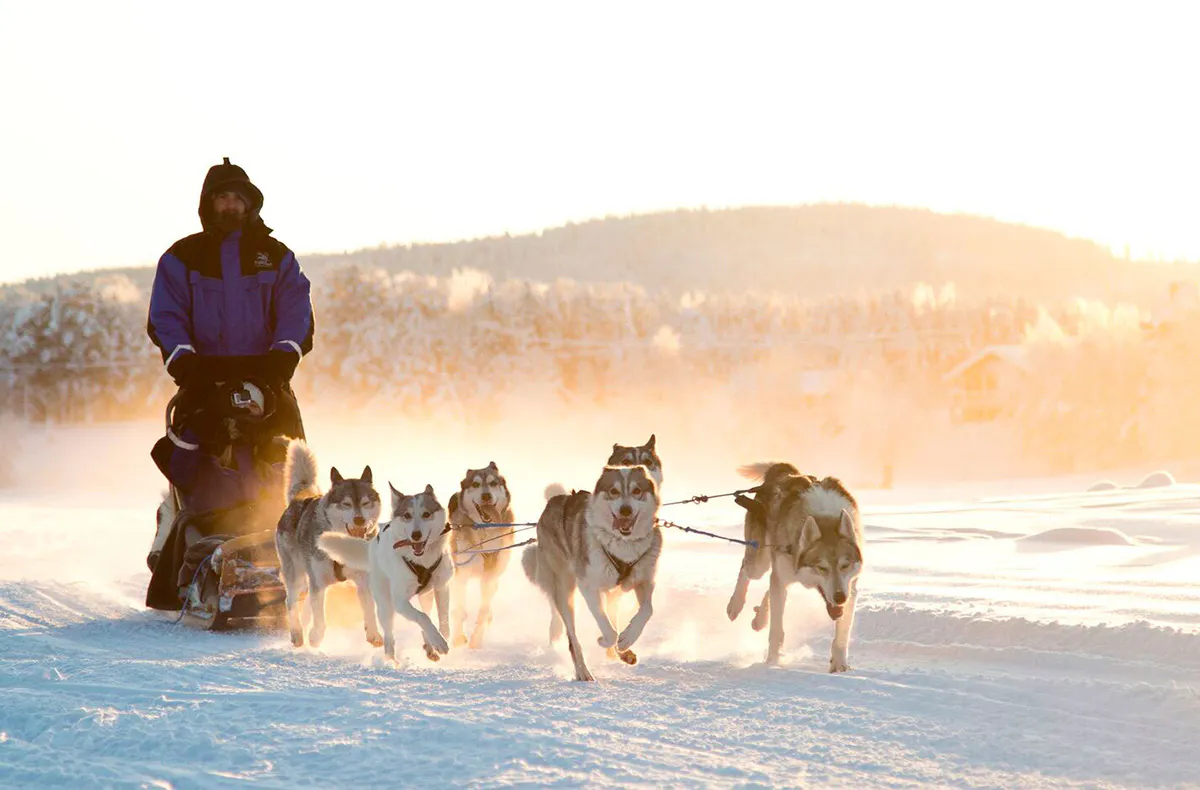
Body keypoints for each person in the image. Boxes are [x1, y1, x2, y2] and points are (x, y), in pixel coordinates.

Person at [147, 157, 314, 515]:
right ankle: (194, 535)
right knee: (194, 463)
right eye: (222, 197)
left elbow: (296, 311)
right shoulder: (181, 258)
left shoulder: (276, 256)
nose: (230, 205)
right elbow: (165, 316)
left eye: (238, 198)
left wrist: (282, 360)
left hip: (268, 378)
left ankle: (290, 534)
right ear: (208, 204)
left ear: (250, 203)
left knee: (288, 466)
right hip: (203, 380)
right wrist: (187, 365)